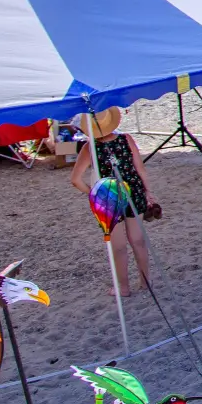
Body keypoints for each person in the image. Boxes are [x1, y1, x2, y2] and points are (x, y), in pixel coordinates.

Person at [70, 109, 156, 295]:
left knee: (118, 247)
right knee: (138, 240)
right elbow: (140, 169)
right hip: (134, 191)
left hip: (108, 197)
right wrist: (148, 191)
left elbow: (76, 179)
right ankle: (145, 282)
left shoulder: (89, 148)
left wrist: (93, 194)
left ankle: (123, 287)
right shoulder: (126, 139)